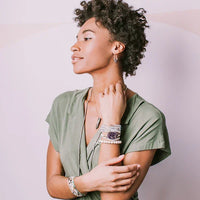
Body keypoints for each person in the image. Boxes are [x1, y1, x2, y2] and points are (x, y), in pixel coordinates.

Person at [45, 0, 171, 199]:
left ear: (117, 47)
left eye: (86, 38)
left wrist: (112, 123)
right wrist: (89, 181)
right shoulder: (64, 105)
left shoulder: (148, 118)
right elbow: (52, 185)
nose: (74, 46)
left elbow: (112, 199)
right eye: (77, 38)